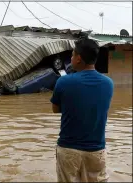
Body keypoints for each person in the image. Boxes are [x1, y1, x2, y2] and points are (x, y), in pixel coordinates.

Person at [50, 38, 114, 182]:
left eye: (72, 55)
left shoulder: (63, 81)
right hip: (96, 150)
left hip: (68, 149)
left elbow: (55, 109)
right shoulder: (108, 84)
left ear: (78, 58)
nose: (71, 58)